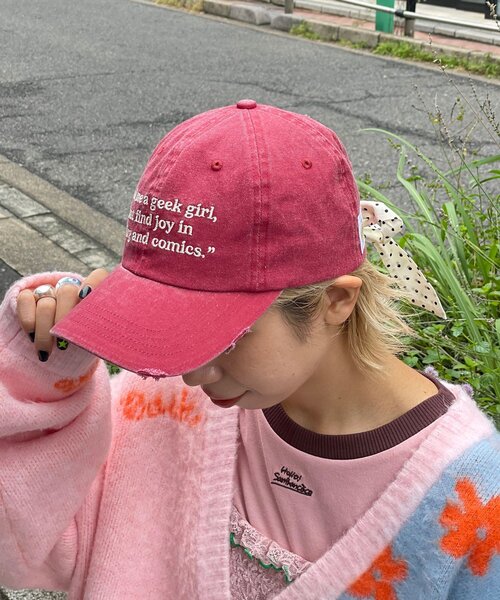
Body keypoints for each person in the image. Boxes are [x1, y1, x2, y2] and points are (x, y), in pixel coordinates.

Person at [0, 100, 498, 600]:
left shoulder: (474, 502)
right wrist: (43, 377)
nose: (193, 373)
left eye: (230, 335)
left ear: (336, 301)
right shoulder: (160, 408)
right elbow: (18, 547)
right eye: (170, 324)